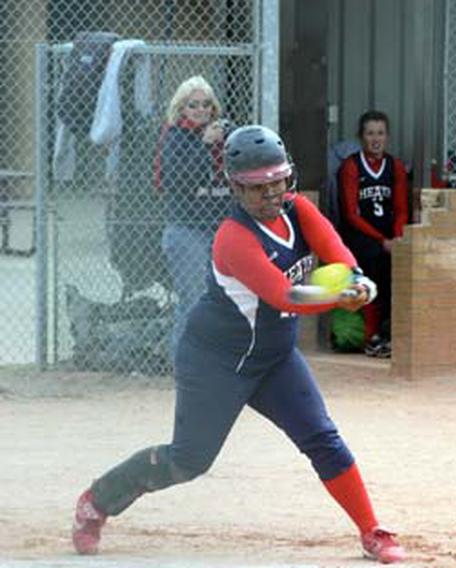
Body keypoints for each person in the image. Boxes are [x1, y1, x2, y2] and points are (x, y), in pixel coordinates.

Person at [70, 125, 407, 564]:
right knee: (189, 460)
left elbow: (337, 251)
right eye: (255, 186)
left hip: (274, 358)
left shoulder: (298, 210)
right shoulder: (233, 238)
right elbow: (284, 296)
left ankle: (372, 532)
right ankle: (96, 502)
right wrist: (337, 297)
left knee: (323, 438)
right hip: (215, 361)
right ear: (234, 186)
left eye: (278, 181)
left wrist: (356, 278)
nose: (270, 193)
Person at [154, 76, 232, 363]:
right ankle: (184, 365)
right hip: (187, 230)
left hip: (219, 229)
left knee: (220, 299)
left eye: (206, 105)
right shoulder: (175, 137)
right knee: (193, 299)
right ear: (182, 108)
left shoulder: (222, 136)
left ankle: (212, 362)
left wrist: (223, 137)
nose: (200, 110)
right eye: (193, 105)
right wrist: (203, 144)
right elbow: (181, 180)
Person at [337, 110, 409, 357]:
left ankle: (390, 333)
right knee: (371, 271)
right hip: (362, 235)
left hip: (389, 237)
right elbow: (351, 214)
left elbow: (401, 209)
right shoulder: (351, 166)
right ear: (361, 137)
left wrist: (397, 238)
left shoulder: (395, 166)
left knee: (396, 273)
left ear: (387, 136)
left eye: (380, 133)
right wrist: (382, 241)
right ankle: (371, 336)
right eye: (370, 133)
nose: (375, 139)